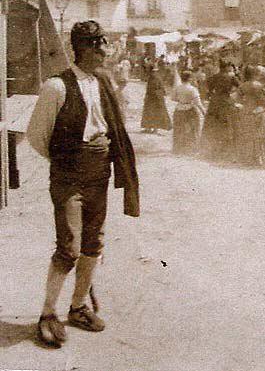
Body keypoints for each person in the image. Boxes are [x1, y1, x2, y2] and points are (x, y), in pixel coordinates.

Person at [26, 20, 140, 348]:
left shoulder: (103, 81)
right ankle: (48, 313)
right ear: (85, 48)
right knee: (69, 247)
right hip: (68, 177)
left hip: (98, 175)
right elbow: (37, 136)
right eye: (101, 45)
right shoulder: (56, 87)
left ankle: (77, 307)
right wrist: (65, 163)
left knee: (94, 243)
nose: (106, 51)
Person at [200, 59, 239, 162]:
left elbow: (207, 89)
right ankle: (227, 151)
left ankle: (213, 151)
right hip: (226, 101)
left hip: (215, 101)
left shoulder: (213, 77)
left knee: (213, 125)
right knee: (227, 125)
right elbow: (239, 87)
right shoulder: (231, 76)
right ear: (227, 67)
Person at [236, 66, 265, 166]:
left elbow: (238, 100)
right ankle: (259, 158)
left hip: (246, 111)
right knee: (259, 136)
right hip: (258, 111)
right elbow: (263, 101)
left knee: (247, 135)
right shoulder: (258, 85)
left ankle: (248, 158)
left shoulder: (242, 86)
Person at [172, 70, 206, 155]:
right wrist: (204, 112)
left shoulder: (177, 87)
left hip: (179, 109)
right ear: (190, 79)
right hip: (190, 109)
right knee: (193, 129)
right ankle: (191, 149)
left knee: (179, 129)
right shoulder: (192, 89)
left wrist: (181, 100)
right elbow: (198, 103)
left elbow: (173, 98)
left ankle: (178, 148)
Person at [141, 62, 172, 134]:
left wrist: (148, 96)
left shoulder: (154, 77)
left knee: (153, 112)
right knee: (152, 112)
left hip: (155, 97)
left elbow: (153, 88)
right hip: (156, 97)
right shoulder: (155, 77)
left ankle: (153, 128)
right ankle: (150, 128)